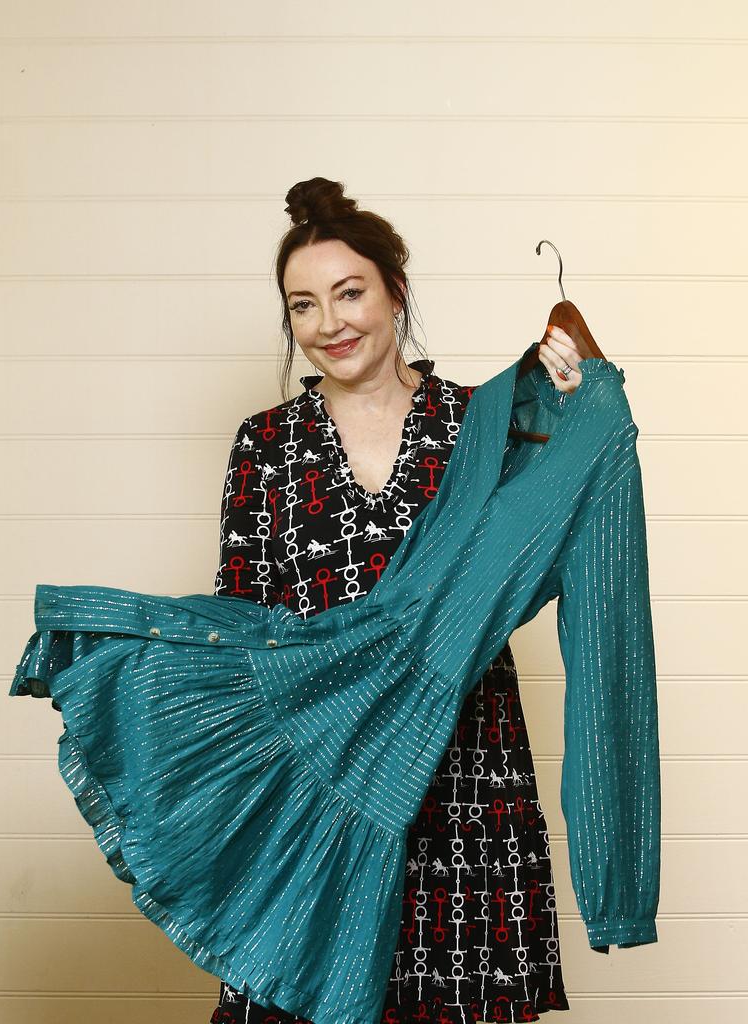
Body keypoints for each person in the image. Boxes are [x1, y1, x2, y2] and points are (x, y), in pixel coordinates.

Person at [208, 176, 587, 1024]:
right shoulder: (265, 446)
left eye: (350, 293)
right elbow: (242, 630)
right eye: (303, 305)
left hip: (465, 778)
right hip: (323, 783)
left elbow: (549, 561)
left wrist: (567, 408)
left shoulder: (482, 425)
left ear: (396, 292)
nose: (331, 323)